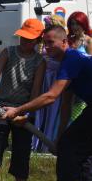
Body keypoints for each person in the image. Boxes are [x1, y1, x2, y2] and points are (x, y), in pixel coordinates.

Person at [2, 26, 92, 181]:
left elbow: (51, 96)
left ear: (64, 42)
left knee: (84, 154)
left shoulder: (71, 58)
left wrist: (18, 111)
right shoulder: (66, 61)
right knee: (70, 145)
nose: (46, 47)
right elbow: (65, 102)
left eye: (51, 43)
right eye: (44, 43)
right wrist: (60, 135)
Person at [0, 18, 46, 181]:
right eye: (23, 37)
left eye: (29, 39)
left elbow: (35, 91)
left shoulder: (40, 62)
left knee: (22, 153)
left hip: (23, 112)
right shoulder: (8, 53)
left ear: (38, 39)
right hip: (1, 108)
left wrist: (24, 114)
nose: (24, 41)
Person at [32, 15, 65, 152]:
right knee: (41, 110)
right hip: (45, 77)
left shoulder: (58, 42)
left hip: (56, 78)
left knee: (53, 110)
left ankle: (48, 141)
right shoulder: (43, 42)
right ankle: (37, 142)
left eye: (48, 25)